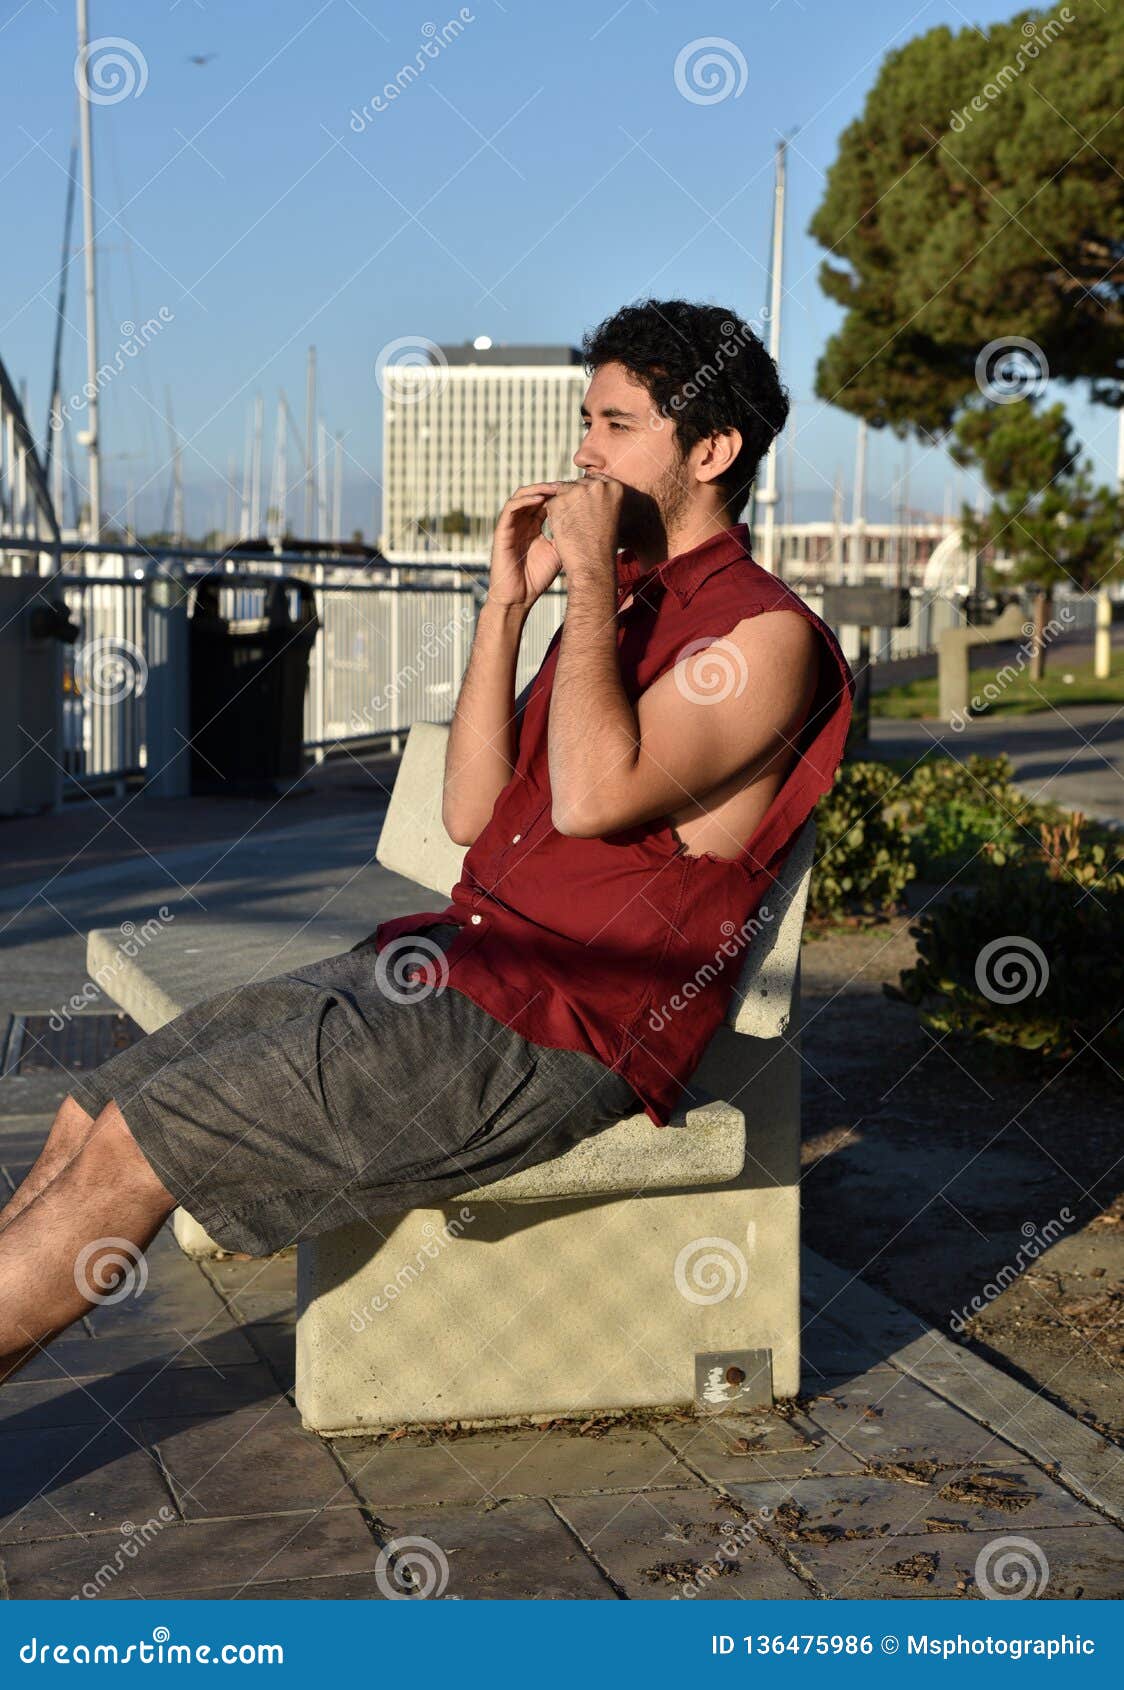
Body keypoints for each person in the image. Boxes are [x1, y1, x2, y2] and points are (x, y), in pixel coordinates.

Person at [0, 298, 853, 1384]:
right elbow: (470, 815)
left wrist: (587, 582)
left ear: (712, 451)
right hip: (452, 966)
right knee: (101, 1107)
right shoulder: (621, 615)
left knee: (137, 1147)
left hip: (548, 1033)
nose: (583, 451)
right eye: (584, 420)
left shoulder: (762, 636)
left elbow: (592, 800)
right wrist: (507, 605)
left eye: (616, 423)